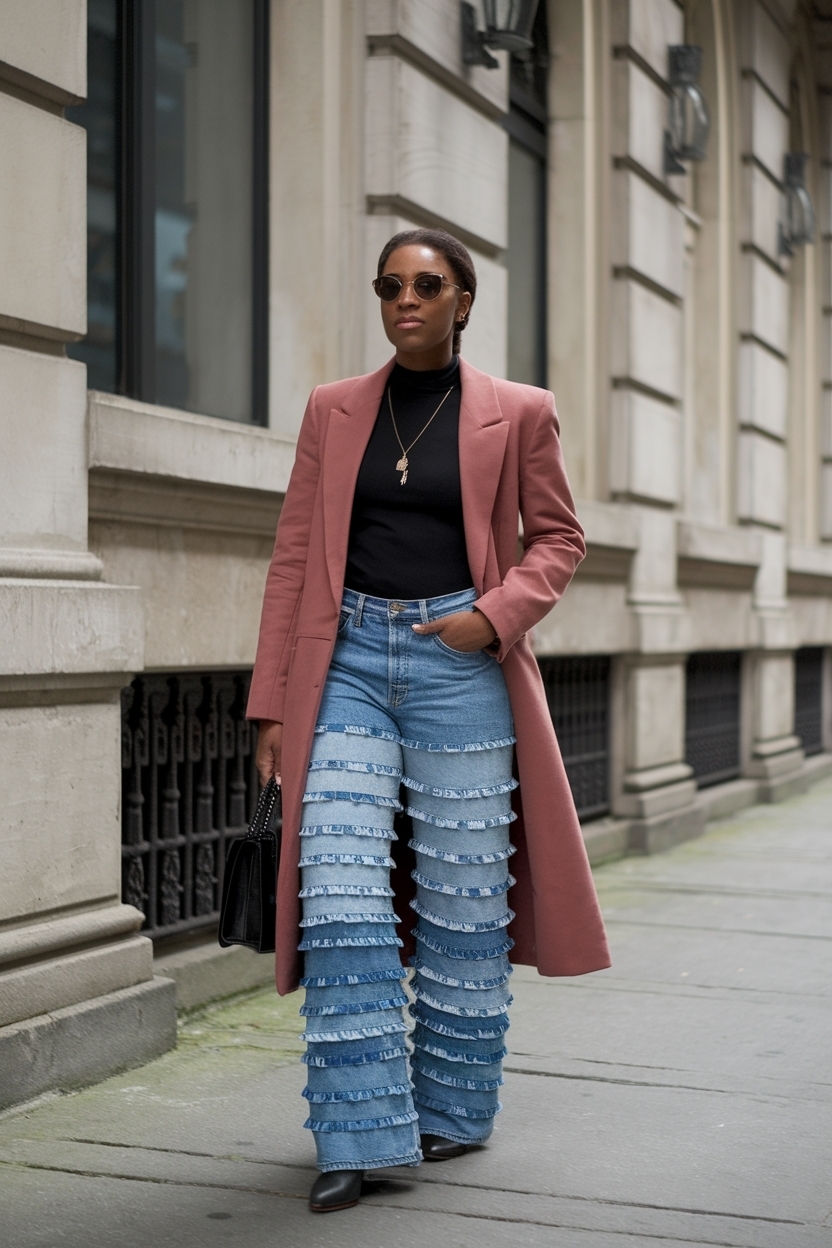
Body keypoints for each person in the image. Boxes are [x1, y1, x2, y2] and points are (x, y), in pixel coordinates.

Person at [248, 227, 610, 1213]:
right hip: (350, 666)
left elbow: (560, 538)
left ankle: (450, 1106)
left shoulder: (518, 413)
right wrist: (270, 703)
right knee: (341, 894)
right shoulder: (332, 411)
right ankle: (356, 1131)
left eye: (425, 285)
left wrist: (489, 619)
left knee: (462, 909)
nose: (405, 300)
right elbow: (291, 559)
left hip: (460, 668)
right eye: (389, 286)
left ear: (462, 301)